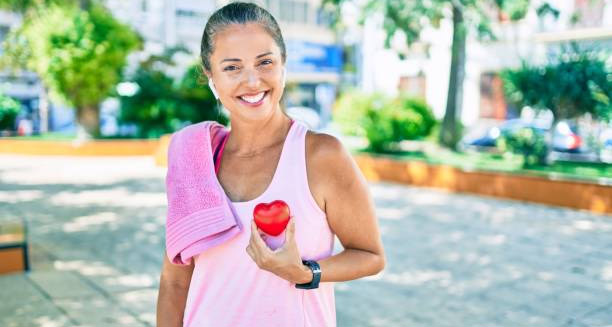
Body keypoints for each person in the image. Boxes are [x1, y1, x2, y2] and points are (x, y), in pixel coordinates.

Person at [156, 3, 385, 326]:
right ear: (211, 76)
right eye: (232, 68)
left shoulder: (320, 156)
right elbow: (175, 281)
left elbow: (371, 256)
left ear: (283, 65)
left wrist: (305, 272)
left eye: (265, 62)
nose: (252, 81)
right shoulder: (194, 161)